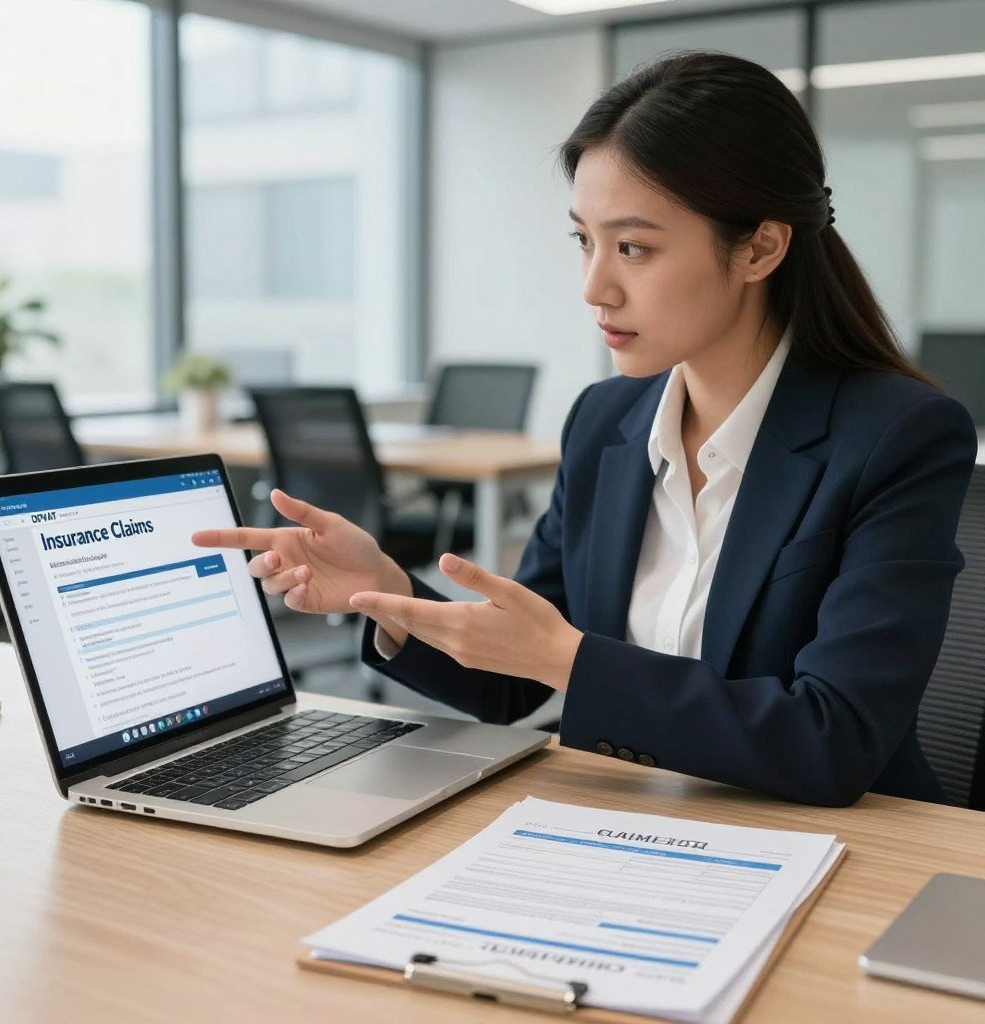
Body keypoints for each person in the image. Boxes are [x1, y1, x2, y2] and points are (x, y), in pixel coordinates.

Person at [193, 52, 977, 808]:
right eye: (584, 240)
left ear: (760, 247)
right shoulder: (605, 423)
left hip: (841, 855)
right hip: (626, 827)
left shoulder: (898, 437)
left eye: (633, 247)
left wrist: (570, 659)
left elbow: (832, 740)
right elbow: (514, 679)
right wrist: (387, 594)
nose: (594, 285)